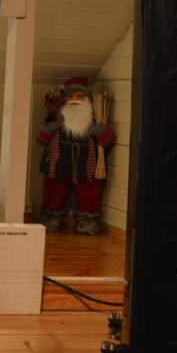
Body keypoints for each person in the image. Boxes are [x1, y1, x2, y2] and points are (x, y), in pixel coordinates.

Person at [36, 77, 115, 235]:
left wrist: (100, 132)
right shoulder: (55, 118)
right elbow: (40, 140)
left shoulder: (96, 119)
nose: (74, 100)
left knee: (89, 193)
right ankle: (52, 218)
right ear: (64, 99)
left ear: (87, 100)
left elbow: (108, 142)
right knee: (55, 191)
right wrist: (50, 129)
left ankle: (88, 221)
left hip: (87, 165)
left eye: (79, 96)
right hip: (59, 164)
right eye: (70, 96)